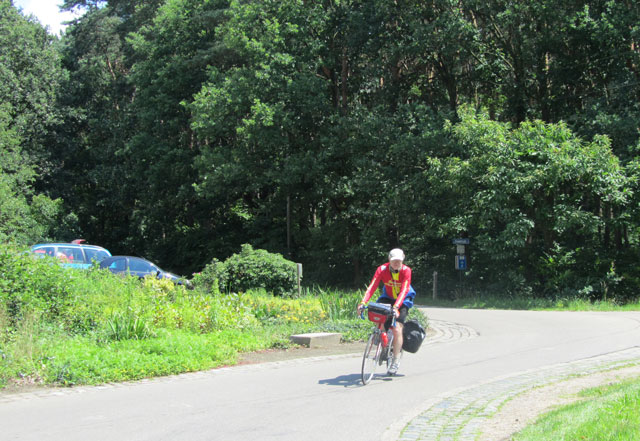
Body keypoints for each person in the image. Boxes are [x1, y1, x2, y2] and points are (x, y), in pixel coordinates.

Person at [357, 248, 416, 375]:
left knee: (397, 328)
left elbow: (404, 289)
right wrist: (363, 303)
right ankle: (383, 343)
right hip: (387, 297)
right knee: (380, 320)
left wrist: (396, 308)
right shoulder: (382, 269)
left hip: (403, 299)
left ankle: (395, 360)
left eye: (399, 261)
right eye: (394, 260)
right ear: (389, 259)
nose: (396, 263)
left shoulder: (406, 271)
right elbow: (373, 286)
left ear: (403, 260)